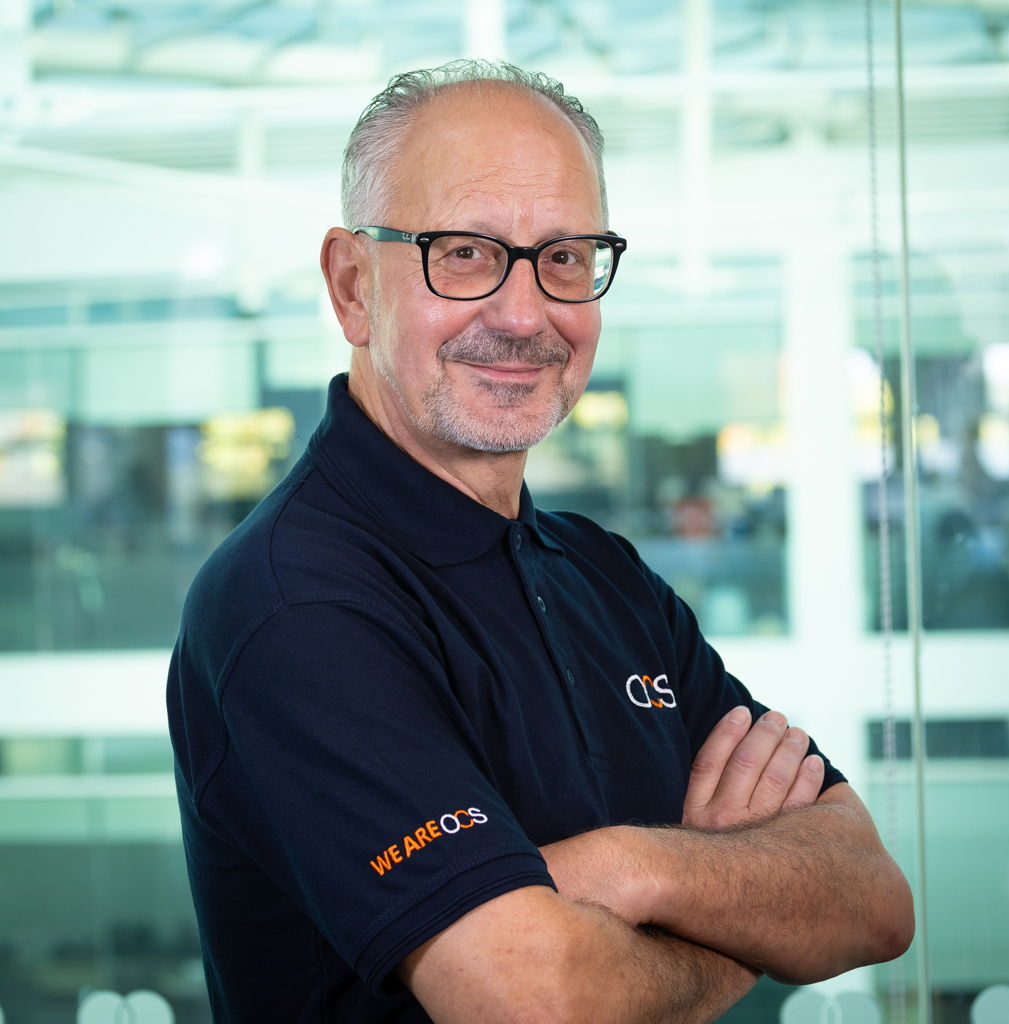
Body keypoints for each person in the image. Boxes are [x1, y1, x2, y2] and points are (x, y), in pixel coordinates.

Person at [167, 59, 914, 1024]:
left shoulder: (605, 577)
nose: (524, 315)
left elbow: (873, 900)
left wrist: (630, 866)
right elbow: (534, 1001)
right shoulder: (294, 602)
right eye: (462, 253)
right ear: (353, 286)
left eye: (564, 256)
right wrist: (741, 917)